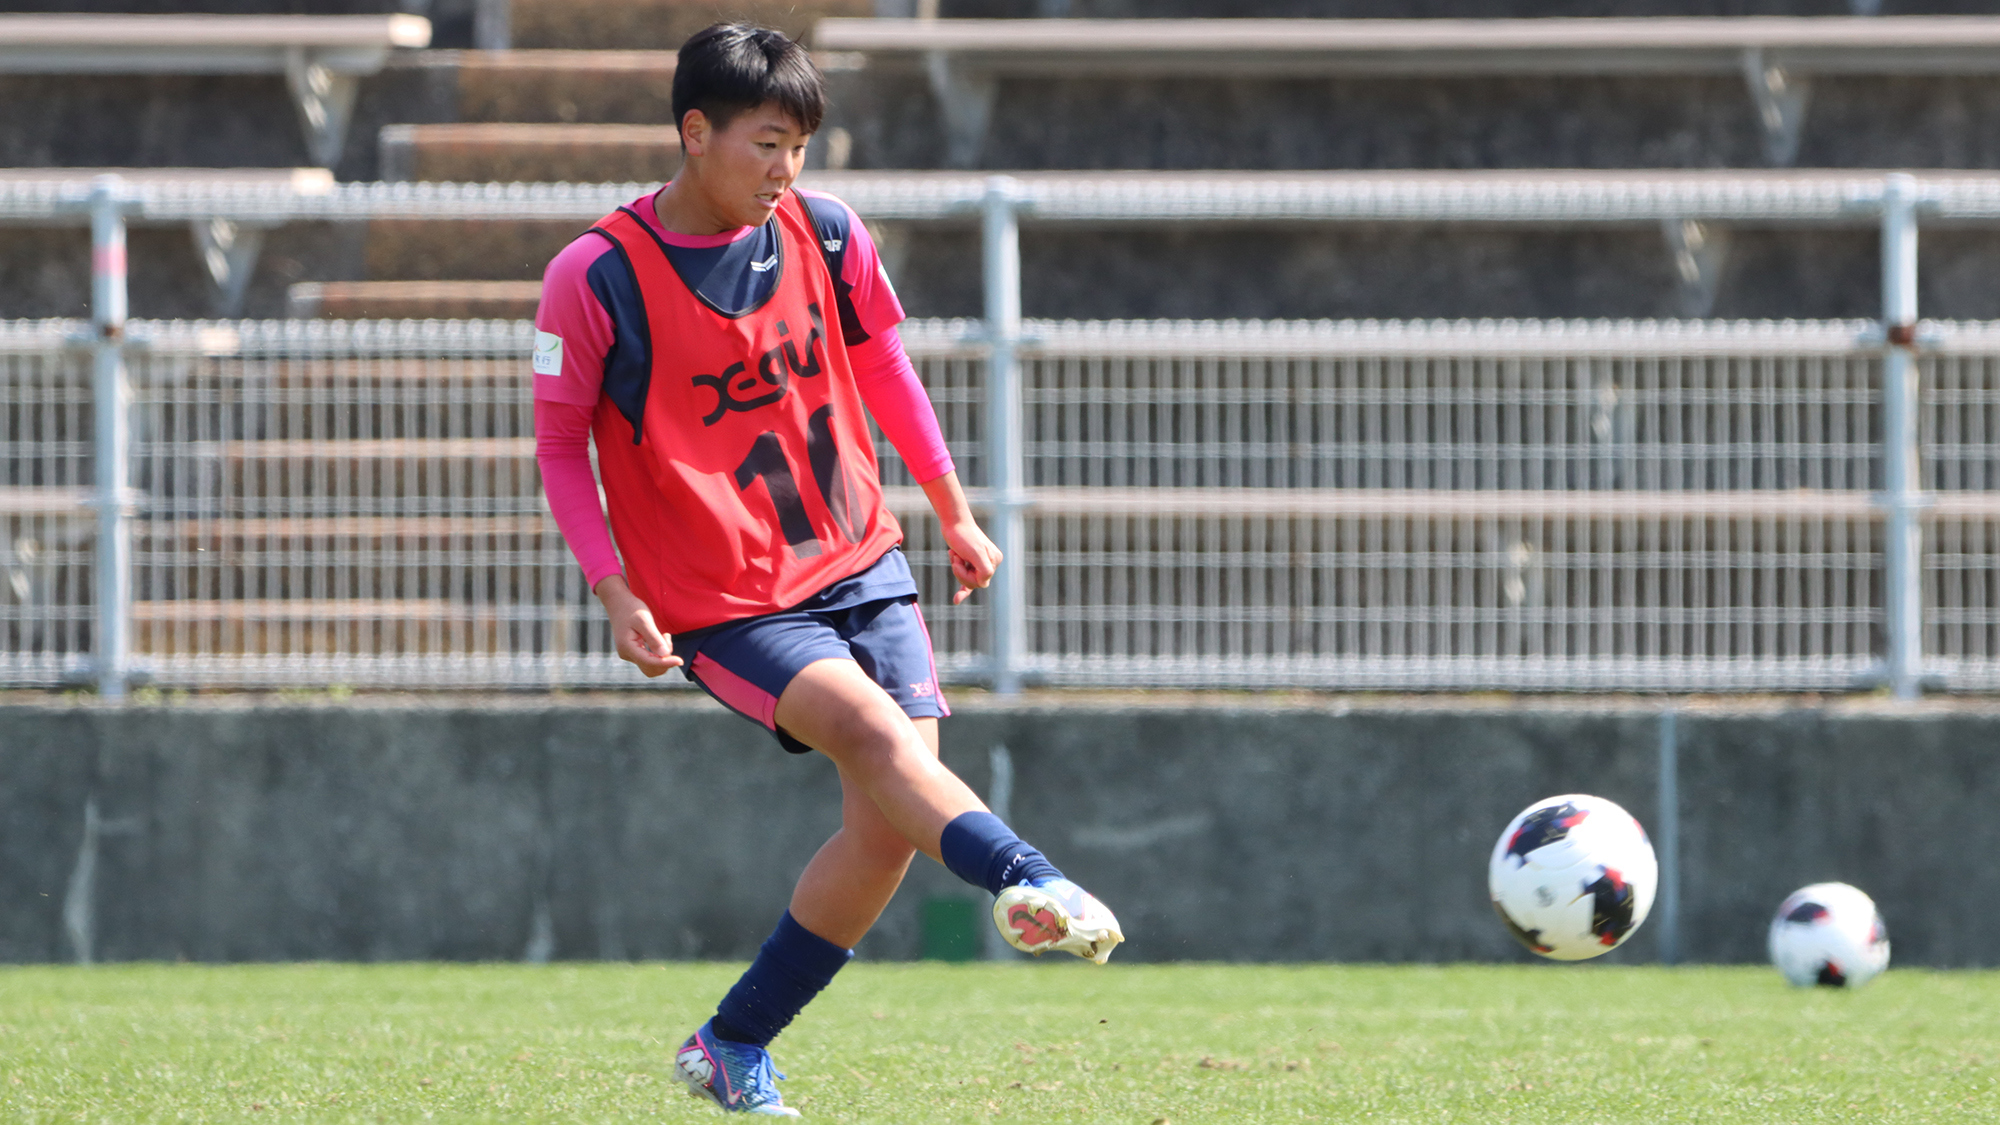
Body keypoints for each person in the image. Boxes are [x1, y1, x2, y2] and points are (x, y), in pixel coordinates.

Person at [530, 22, 1123, 1117]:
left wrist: (952, 509)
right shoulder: (596, 276)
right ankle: (1029, 877)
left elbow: (883, 361)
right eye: (765, 143)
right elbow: (561, 444)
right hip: (725, 600)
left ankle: (732, 1042)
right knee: (874, 737)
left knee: (887, 823)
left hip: (860, 558)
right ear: (694, 132)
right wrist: (613, 588)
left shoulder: (830, 231)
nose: (785, 169)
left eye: (799, 146)